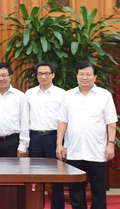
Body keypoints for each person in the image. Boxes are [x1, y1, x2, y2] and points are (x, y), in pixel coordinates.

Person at [56, 61, 117, 209]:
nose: (85, 77)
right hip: (74, 151)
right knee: (76, 193)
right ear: (76, 76)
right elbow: (62, 121)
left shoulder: (104, 95)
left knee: (99, 191)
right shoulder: (68, 96)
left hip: (97, 151)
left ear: (95, 77)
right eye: (81, 74)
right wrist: (60, 145)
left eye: (88, 74)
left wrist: (110, 144)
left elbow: (111, 123)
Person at [25, 61, 66, 209]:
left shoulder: (62, 94)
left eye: (47, 73)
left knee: (57, 177)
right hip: (35, 138)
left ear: (53, 75)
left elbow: (66, 120)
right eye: (40, 73)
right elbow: (25, 119)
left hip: (53, 138)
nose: (43, 76)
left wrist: (62, 144)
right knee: (35, 177)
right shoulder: (29, 94)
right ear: (36, 76)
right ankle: (36, 206)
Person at [0, 62, 29, 157]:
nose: (1, 79)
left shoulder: (20, 96)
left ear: (10, 77)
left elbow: (24, 122)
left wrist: (23, 146)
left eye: (4, 75)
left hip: (12, 142)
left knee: (12, 171)